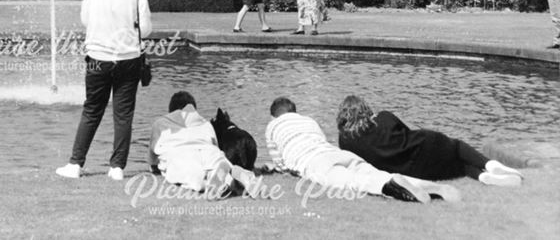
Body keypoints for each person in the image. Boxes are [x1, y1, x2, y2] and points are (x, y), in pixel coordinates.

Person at [57, 0, 151, 182]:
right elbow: (147, 30)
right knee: (123, 114)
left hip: (98, 57)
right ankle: (117, 167)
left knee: (92, 110)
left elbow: (85, 19)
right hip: (128, 58)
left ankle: (75, 164)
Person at [264, 97, 460, 204]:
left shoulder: (272, 127)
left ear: (274, 117)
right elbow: (321, 140)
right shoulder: (308, 120)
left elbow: (280, 162)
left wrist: (281, 169)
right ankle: (428, 186)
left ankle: (391, 185)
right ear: (295, 111)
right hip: (334, 153)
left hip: (313, 162)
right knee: (375, 172)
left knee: (353, 182)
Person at [335, 95, 522, 186]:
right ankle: (490, 166)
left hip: (410, 171)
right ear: (365, 110)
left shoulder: (345, 141)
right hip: (425, 145)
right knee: (457, 148)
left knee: (458, 168)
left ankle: (484, 177)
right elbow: (405, 132)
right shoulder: (383, 118)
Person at [147, 91, 253, 196]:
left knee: (194, 178)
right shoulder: (205, 123)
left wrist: (155, 166)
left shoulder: (160, 123)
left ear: (171, 110)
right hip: (209, 152)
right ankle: (237, 178)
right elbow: (214, 146)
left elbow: (153, 162)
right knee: (218, 163)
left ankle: (211, 185)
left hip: (181, 155)